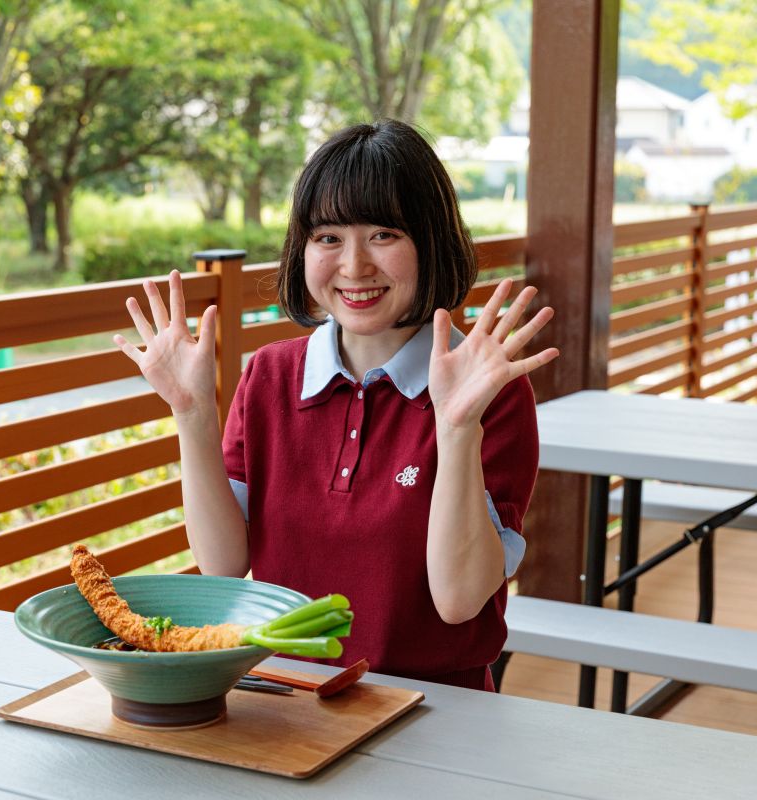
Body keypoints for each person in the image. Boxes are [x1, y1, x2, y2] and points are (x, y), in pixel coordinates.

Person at [113, 119, 558, 691]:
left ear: (433, 241)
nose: (353, 266)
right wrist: (194, 416)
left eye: (384, 234)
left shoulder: (491, 391)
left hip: (434, 708)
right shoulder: (270, 374)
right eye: (327, 238)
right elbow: (224, 565)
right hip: (279, 696)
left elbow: (459, 600)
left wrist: (456, 426)